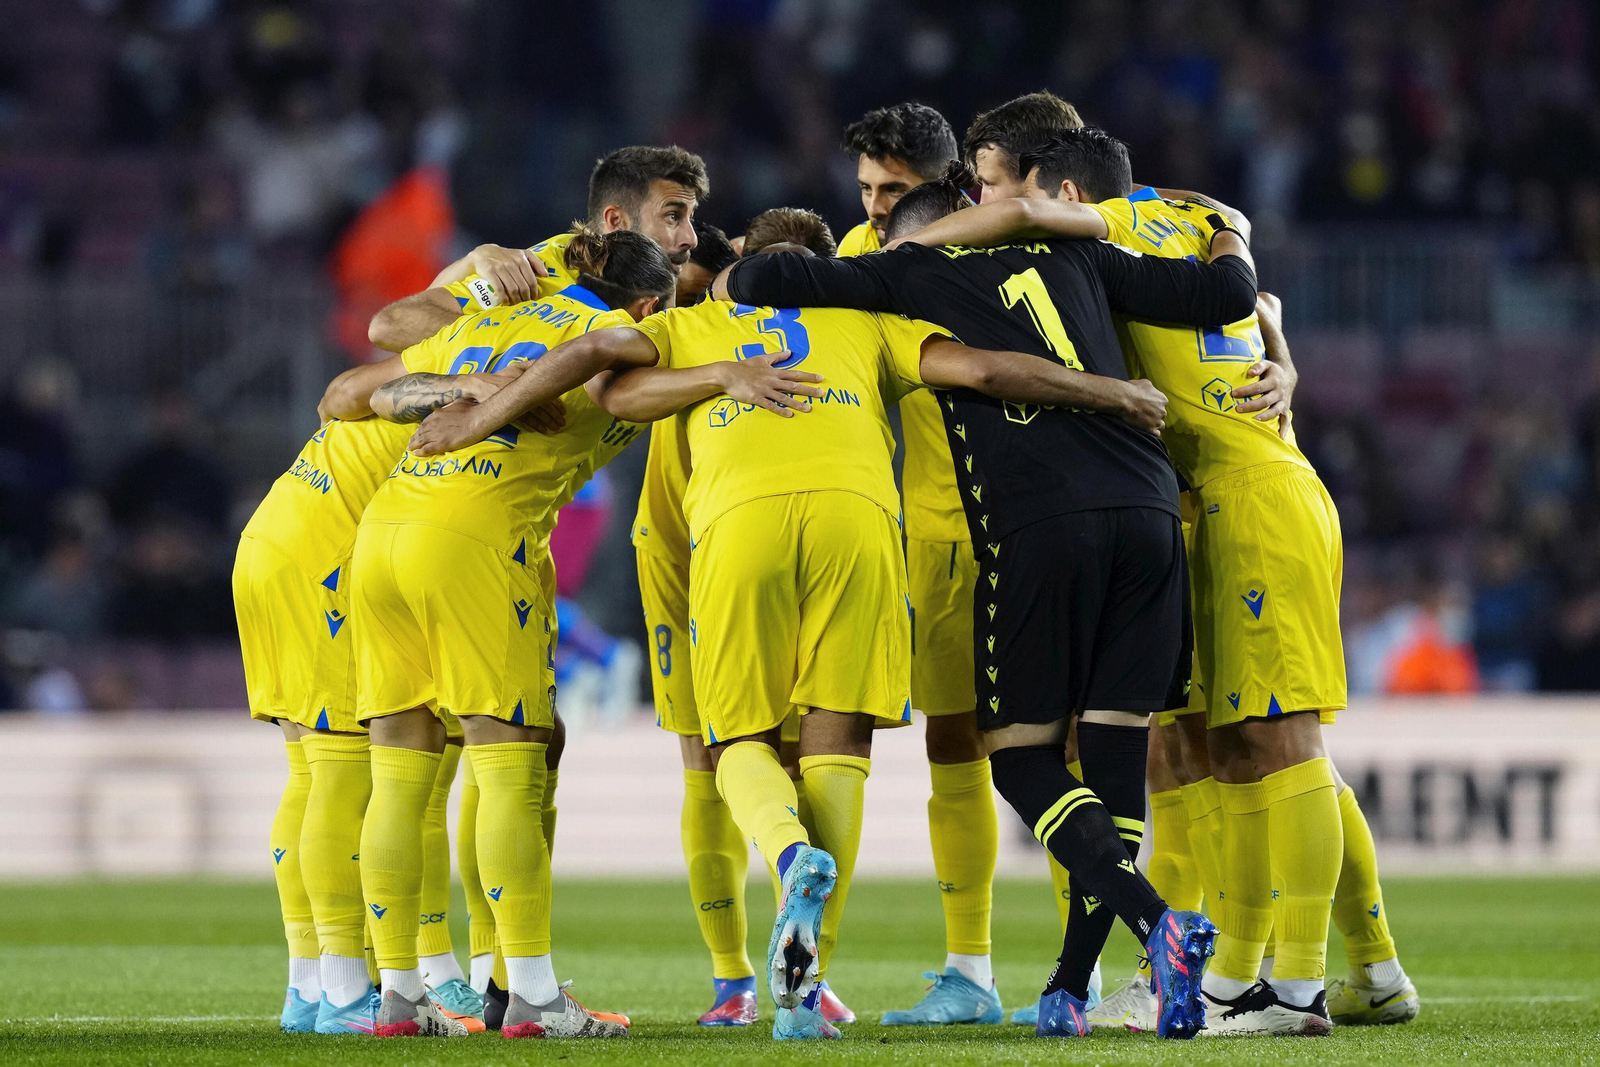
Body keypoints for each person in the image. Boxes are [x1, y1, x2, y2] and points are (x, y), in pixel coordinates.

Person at [891, 126, 1416, 1034]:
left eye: (993, 186)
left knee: (1273, 742)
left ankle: (1288, 984)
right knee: (1224, 744)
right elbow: (1263, 305)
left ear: (1054, 189)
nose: (987, 206)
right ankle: (1336, 970)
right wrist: (1281, 360)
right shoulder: (1184, 219)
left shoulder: (1089, 250)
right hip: (1211, 500)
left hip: (1233, 498)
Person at [717, 171, 1259, 1039]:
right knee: (1115, 764)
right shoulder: (1084, 251)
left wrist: (873, 261)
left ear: (924, 231)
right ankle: (1072, 987)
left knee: (1020, 759)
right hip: (1151, 512)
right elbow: (1223, 295)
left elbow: (760, 280)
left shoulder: (909, 272)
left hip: (1042, 524)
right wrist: (1227, 224)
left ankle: (1160, 922)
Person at [364, 144, 709, 1024]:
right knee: (512, 760)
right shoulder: (613, 337)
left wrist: (468, 382)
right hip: (475, 541)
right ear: (645, 300)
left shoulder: (490, 320)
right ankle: (534, 997)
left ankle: (399, 995)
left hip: (386, 531)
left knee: (402, 773)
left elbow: (367, 383)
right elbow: (614, 366)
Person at [632, 208, 857, 1029]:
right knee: (721, 754)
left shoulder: (714, 317)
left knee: (745, 754)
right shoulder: (712, 317)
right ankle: (737, 977)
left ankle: (781, 966)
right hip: (684, 547)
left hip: (736, 535)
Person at [834, 101, 1007, 1028]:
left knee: (1062, 745)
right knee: (953, 741)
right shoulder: (862, 263)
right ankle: (970, 970)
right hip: (935, 529)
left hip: (1030, 522)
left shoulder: (1014, 247)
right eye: (863, 190)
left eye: (889, 191)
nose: (871, 209)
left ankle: (1088, 972)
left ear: (948, 190)